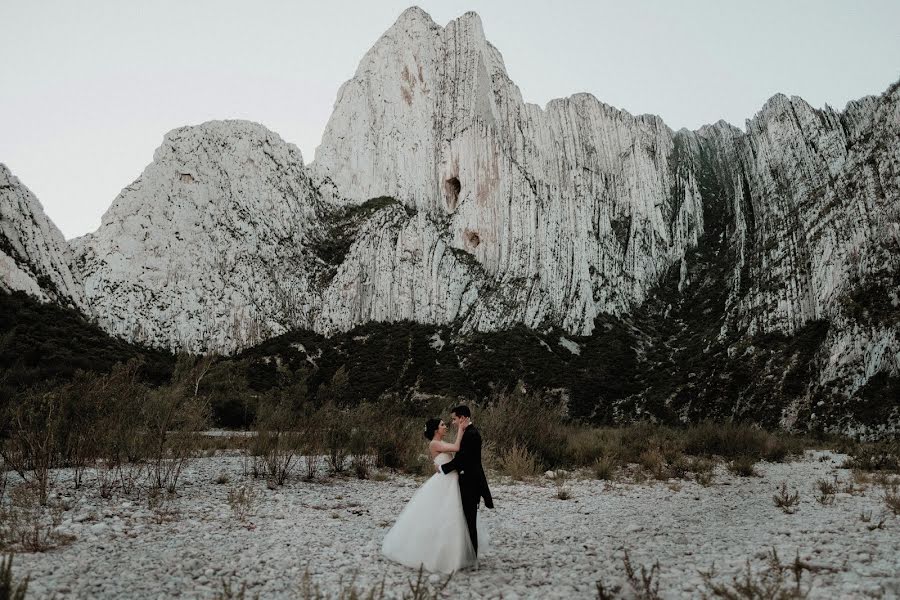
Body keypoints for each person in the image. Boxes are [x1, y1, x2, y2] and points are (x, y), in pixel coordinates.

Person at [381, 416, 482, 573]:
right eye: (442, 425)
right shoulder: (435, 443)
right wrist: (461, 429)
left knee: (454, 517)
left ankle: (457, 553)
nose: (445, 426)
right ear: (436, 429)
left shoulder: (441, 443)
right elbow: (457, 447)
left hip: (451, 482)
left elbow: (458, 449)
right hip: (444, 483)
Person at [437, 405, 493, 555]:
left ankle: (472, 556)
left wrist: (442, 469)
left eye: (454, 419)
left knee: (469, 522)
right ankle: (466, 554)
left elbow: (462, 460)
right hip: (466, 483)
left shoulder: (472, 434)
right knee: (465, 521)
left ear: (462, 418)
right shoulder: (467, 432)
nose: (453, 422)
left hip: (470, 485)